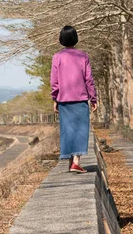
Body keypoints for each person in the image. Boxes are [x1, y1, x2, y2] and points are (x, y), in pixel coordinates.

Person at [50, 25, 98, 173]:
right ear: (75, 38)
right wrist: (93, 98)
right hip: (80, 98)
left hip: (64, 99)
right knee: (80, 130)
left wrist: (55, 98)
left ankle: (71, 161)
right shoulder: (83, 56)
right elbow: (88, 79)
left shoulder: (57, 57)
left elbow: (54, 81)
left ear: (61, 39)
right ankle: (76, 161)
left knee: (67, 130)